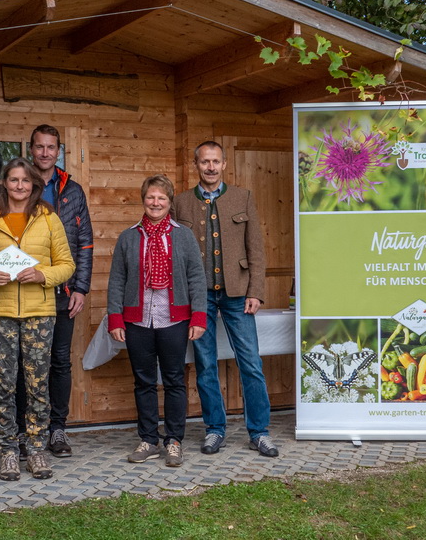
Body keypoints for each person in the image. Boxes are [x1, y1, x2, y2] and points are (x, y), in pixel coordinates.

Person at [172, 141, 279, 458]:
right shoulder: (180, 202)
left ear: (224, 164)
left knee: (251, 363)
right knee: (205, 365)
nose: (210, 167)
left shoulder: (243, 197)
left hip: (238, 293)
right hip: (199, 297)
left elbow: (255, 248)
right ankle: (214, 430)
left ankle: (259, 432)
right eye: (205, 161)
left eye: (215, 161)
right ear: (196, 164)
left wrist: (256, 290)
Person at [0, 157, 75, 481]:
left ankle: (36, 450)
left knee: (37, 384)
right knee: (4, 385)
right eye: (13, 180)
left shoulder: (49, 218)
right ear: (5, 183)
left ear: (34, 184)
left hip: (39, 313)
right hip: (0, 313)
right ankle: (8, 451)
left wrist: (42, 274)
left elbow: (67, 265)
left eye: (25, 180)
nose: (19, 186)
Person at [108, 175, 207, 467]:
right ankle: (149, 439)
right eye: (151, 197)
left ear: (169, 202)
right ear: (143, 200)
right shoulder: (128, 237)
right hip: (137, 321)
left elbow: (196, 277)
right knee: (144, 382)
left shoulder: (183, 236)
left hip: (174, 320)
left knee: (175, 380)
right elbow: (117, 280)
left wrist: (198, 316)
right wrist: (115, 318)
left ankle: (174, 441)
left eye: (161, 198)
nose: (155, 202)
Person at [15, 124, 93, 458]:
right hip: (26, 289)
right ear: (31, 149)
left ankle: (57, 429)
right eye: (39, 146)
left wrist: (81, 288)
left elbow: (85, 243)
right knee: (25, 363)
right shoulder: (19, 185)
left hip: (63, 290)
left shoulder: (72, 190)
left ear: (58, 151)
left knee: (60, 361)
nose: (45, 153)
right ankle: (23, 431)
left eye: (51, 147)